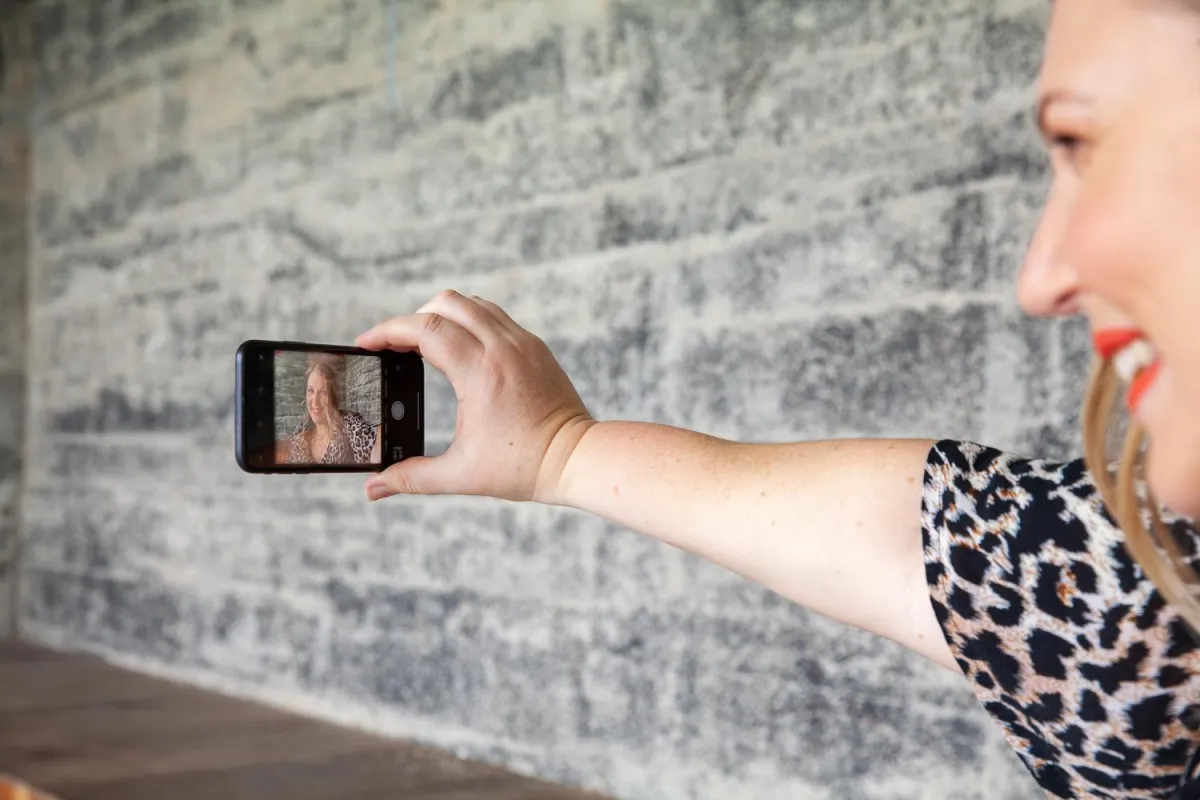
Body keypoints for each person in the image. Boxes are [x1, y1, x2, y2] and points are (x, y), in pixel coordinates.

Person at [353, 1, 1200, 797]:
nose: (1040, 279)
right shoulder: (1159, 609)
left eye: (1081, 145)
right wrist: (558, 451)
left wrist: (562, 450)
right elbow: (956, 547)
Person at [285, 361, 379, 465]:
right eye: (310, 390)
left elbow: (375, 440)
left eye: (323, 392)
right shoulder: (300, 431)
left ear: (333, 397)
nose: (315, 402)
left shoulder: (348, 423)